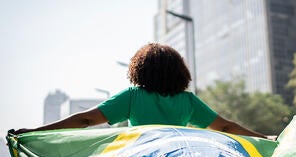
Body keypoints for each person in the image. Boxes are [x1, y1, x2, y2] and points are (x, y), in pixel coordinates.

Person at [13, 43, 271, 140]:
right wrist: (265, 138)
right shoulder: (187, 101)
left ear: (140, 70)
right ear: (179, 71)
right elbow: (226, 127)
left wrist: (37, 131)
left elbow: (85, 120)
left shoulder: (132, 96)